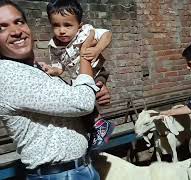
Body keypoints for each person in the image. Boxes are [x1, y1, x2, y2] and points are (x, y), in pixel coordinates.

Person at [0, 0, 110, 179]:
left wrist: (94, 90)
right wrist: (85, 55)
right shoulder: (7, 74)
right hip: (60, 175)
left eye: (19, 22)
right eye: (1, 28)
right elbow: (81, 103)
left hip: (78, 168)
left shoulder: (30, 69)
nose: (16, 31)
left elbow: (73, 99)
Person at [42, 0, 114, 151]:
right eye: (56, 25)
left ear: (79, 25)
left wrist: (97, 49)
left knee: (88, 98)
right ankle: (96, 127)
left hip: (97, 71)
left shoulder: (86, 32)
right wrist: (52, 70)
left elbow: (107, 34)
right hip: (79, 79)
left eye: (67, 25)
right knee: (81, 101)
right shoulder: (54, 46)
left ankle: (100, 125)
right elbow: (59, 67)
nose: (61, 31)